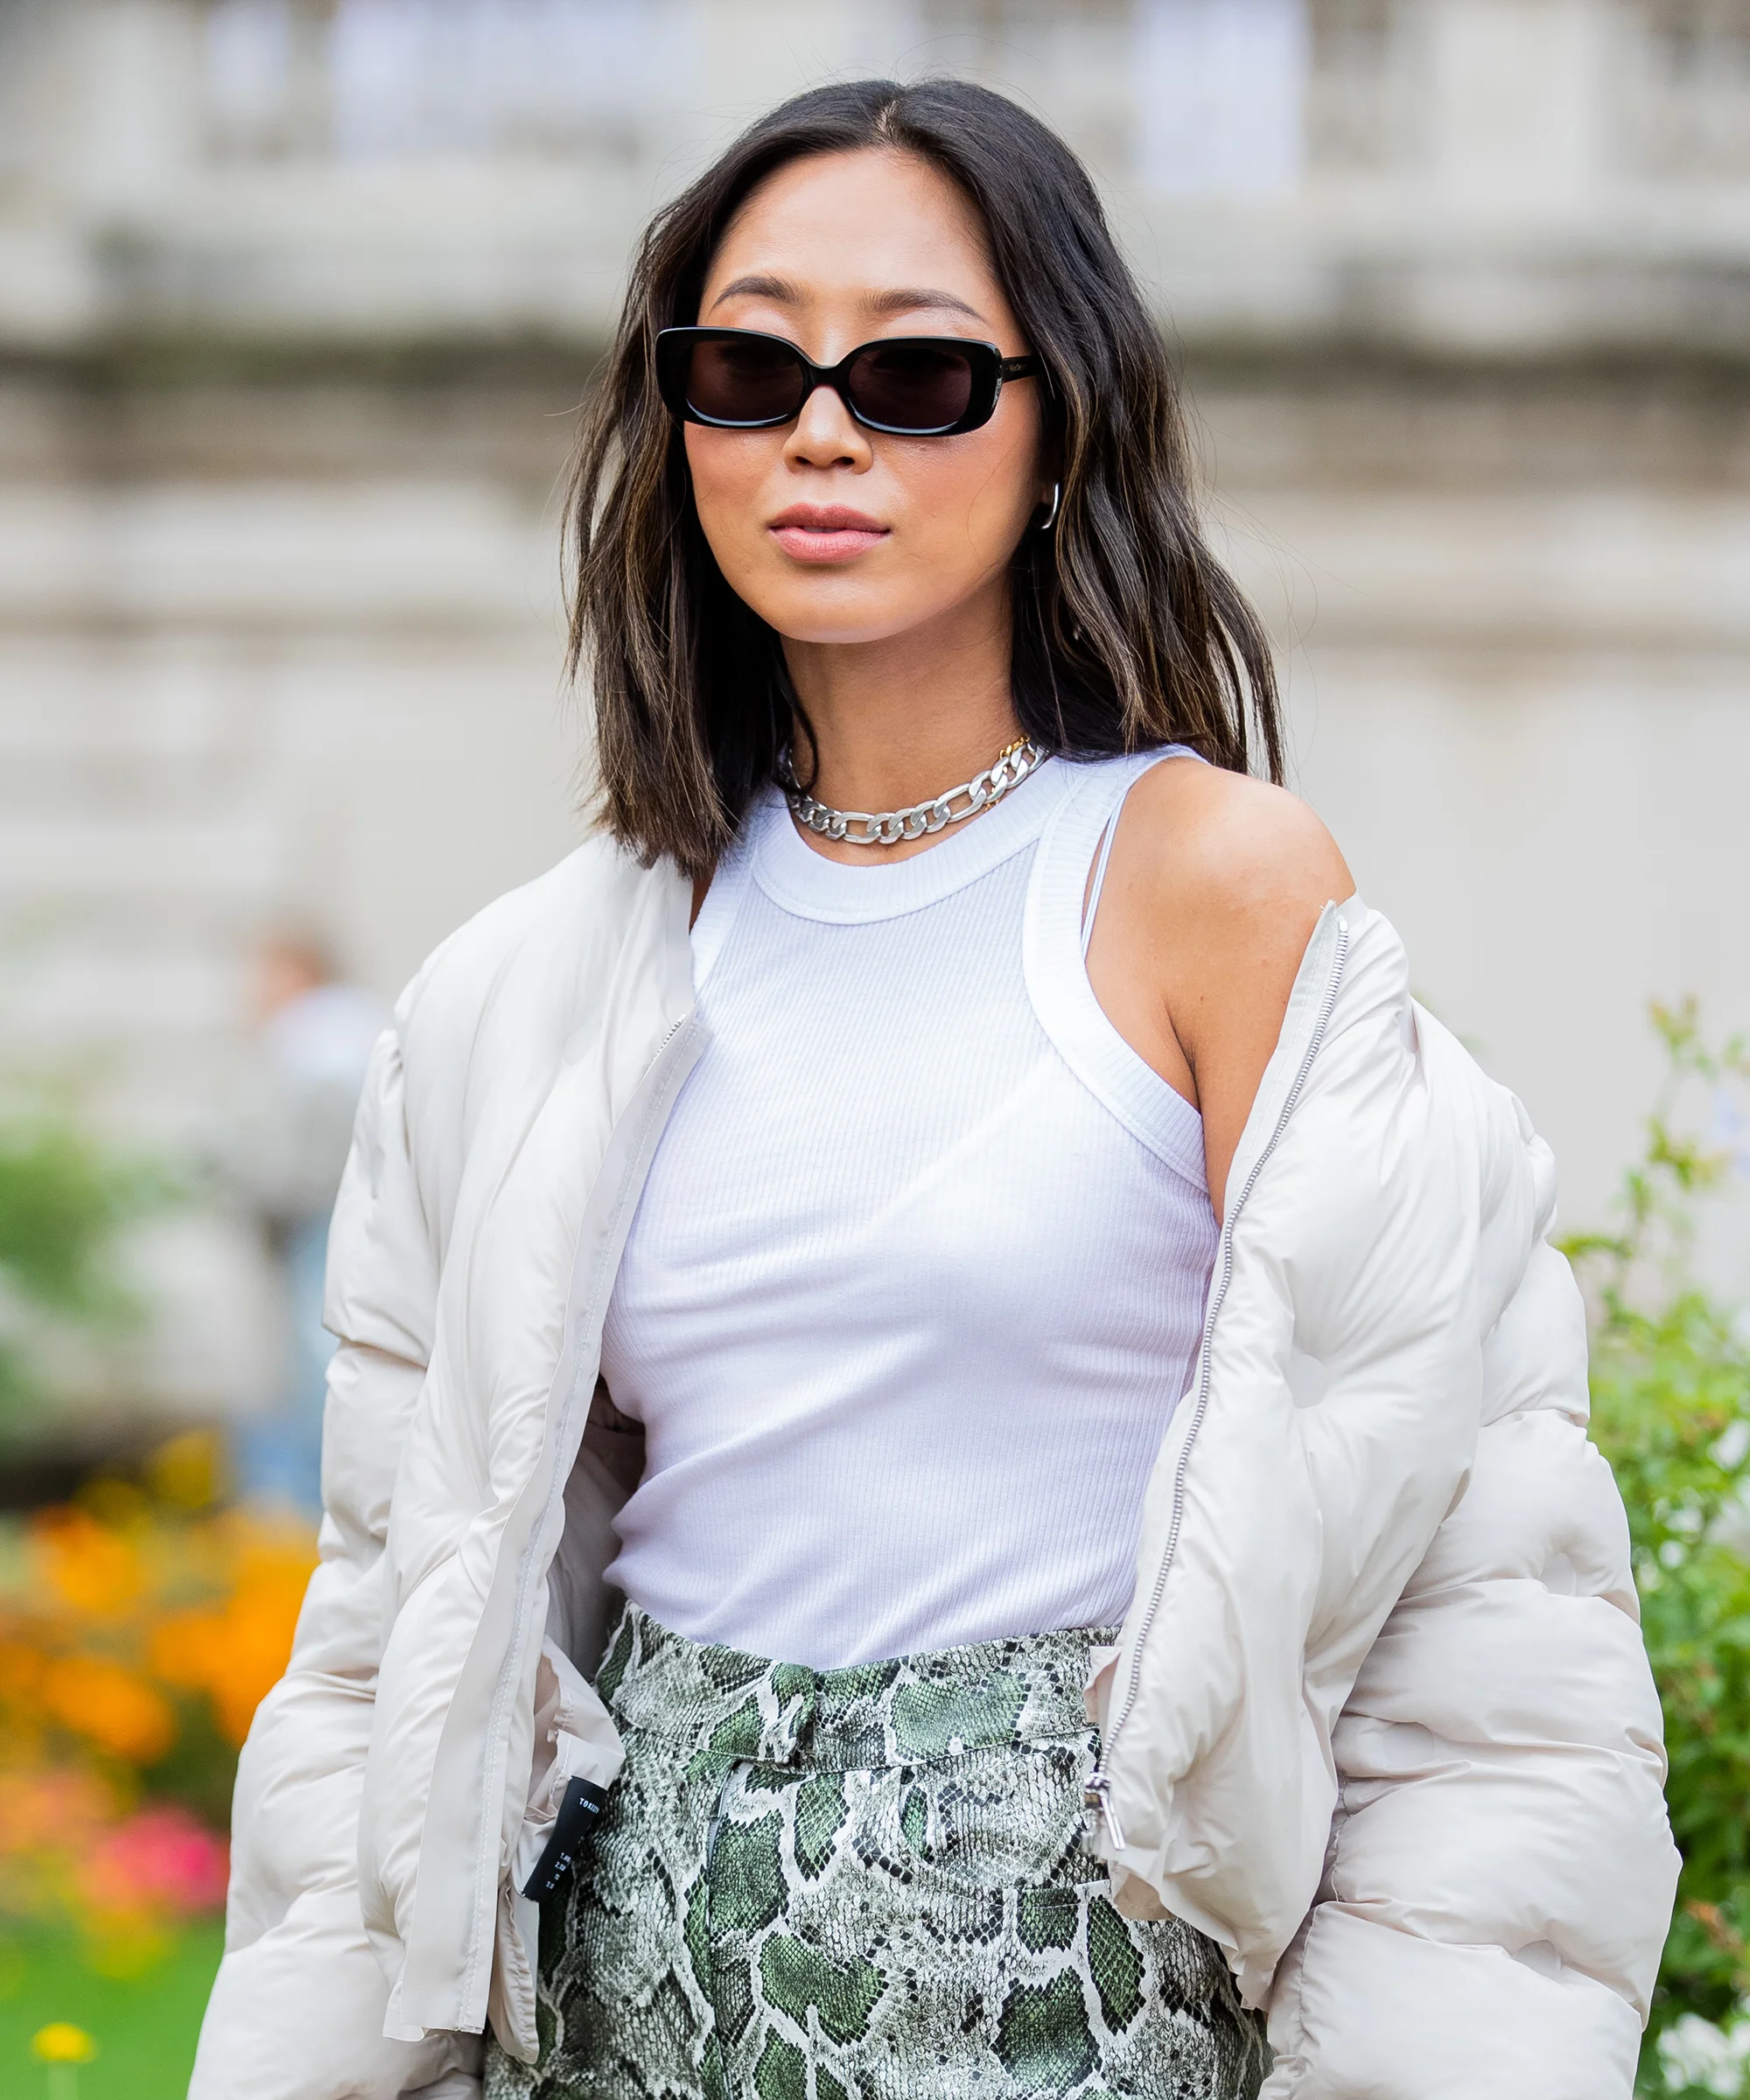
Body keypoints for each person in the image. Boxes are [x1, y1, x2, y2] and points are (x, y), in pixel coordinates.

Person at [192, 80, 1677, 2100]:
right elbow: (386, 1643)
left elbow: (1473, 1601)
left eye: (910, 373)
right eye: (745, 363)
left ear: (1057, 417)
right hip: (633, 2020)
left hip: (1089, 2012)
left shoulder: (1213, 884)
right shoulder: (530, 988)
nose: (821, 428)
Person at [213, 932, 387, 1513]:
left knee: (314, 1369)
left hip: (320, 1221)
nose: (255, 993)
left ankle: (301, 1509)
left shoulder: (314, 1033)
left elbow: (286, 1151)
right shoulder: (363, 1025)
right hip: (363, 1224)